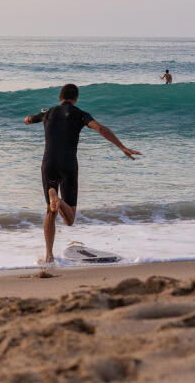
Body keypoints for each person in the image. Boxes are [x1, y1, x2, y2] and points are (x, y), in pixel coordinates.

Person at [23, 83, 141, 262]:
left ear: (59, 97)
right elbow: (100, 128)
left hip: (49, 163)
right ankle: (59, 200)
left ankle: (49, 256)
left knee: (50, 212)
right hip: (69, 164)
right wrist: (122, 147)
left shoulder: (47, 113)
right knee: (69, 220)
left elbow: (29, 119)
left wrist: (29, 119)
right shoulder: (80, 114)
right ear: (76, 98)